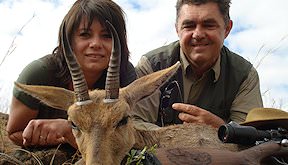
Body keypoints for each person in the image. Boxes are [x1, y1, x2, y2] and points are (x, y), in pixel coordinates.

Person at [6, 0, 136, 149]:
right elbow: (13, 133)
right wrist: (55, 135)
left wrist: (70, 130)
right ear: (69, 40)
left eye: (107, 35)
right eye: (85, 34)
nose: (95, 44)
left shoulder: (124, 73)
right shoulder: (38, 74)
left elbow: (130, 131)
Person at [133, 0, 263, 129]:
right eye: (189, 26)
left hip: (219, 150)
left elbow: (250, 136)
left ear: (227, 29)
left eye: (209, 25)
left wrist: (219, 129)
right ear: (177, 29)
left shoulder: (244, 75)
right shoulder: (152, 65)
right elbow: (133, 124)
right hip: (157, 149)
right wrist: (178, 139)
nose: (198, 34)